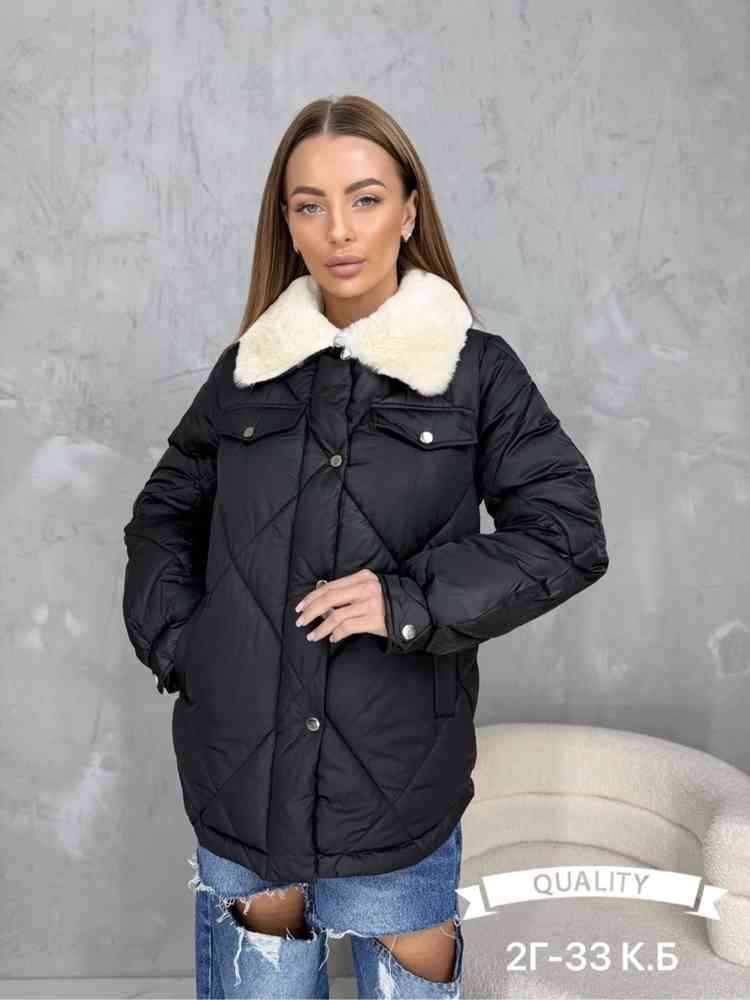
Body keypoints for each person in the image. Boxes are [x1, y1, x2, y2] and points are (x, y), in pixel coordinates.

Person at [122, 94, 609, 999]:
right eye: (309, 205)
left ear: (410, 211)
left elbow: (568, 531)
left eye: (366, 198)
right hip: (240, 777)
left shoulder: (477, 371)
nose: (339, 230)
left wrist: (408, 601)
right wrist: (189, 647)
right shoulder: (246, 374)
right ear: (287, 224)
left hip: (396, 782)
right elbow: (163, 515)